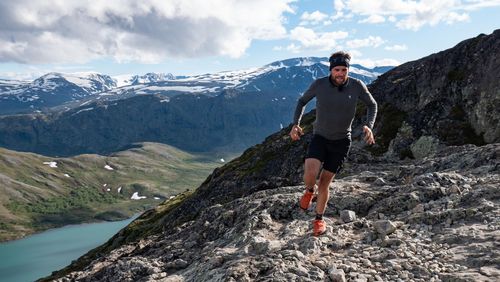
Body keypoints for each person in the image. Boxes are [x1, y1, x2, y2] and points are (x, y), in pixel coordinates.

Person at [289, 51, 377, 236]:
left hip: (342, 142)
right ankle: (308, 190)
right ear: (331, 70)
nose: (340, 73)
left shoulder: (356, 85)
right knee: (310, 172)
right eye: (337, 69)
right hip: (320, 137)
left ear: (348, 70)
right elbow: (302, 101)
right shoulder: (319, 84)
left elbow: (372, 104)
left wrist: (368, 126)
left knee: (325, 183)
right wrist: (296, 124)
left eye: (344, 70)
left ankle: (319, 219)